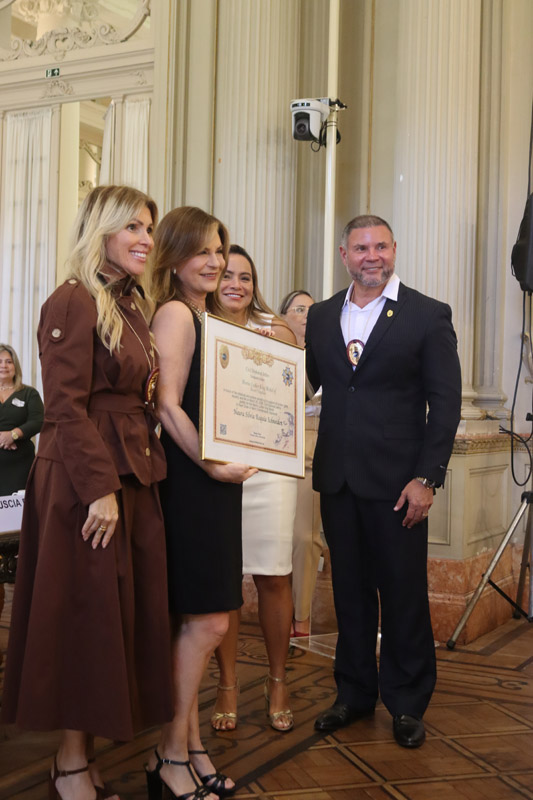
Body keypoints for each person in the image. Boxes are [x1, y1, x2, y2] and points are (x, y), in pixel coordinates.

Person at [1, 185, 174, 800]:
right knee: (83, 618)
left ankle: (86, 758)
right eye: (132, 226)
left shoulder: (129, 303)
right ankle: (69, 763)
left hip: (130, 470)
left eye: (149, 228)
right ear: (100, 230)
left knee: (112, 620)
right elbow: (65, 410)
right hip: (85, 480)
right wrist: (100, 489)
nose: (146, 239)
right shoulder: (72, 301)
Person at [307, 215, 462, 748]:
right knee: (349, 594)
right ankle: (353, 694)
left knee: (402, 595)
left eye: (380, 246)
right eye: (360, 248)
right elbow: (303, 382)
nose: (371, 256)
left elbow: (444, 405)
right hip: (337, 480)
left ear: (394, 250)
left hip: (400, 485)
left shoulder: (427, 315)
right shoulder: (323, 316)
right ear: (344, 254)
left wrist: (427, 478)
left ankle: (407, 701)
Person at [149, 209, 256, 800]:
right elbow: (167, 407)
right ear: (173, 255)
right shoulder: (174, 314)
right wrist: (213, 464)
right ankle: (169, 752)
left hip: (209, 481)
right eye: (203, 250)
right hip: (191, 483)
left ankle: (189, 749)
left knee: (199, 619)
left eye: (220, 249)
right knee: (209, 619)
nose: (216, 260)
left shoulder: (203, 315)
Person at [210, 245, 297, 733]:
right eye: (226, 275)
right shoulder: (195, 323)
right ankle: (226, 683)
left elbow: (296, 394)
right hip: (217, 468)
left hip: (270, 467)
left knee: (274, 574)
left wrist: (280, 353)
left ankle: (278, 679)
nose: (236, 284)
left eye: (245, 276)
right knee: (225, 579)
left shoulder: (276, 326)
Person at [279, 292, 322, 638]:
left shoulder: (326, 355)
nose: (307, 315)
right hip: (274, 453)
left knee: (304, 537)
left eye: (313, 309)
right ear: (283, 316)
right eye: (300, 309)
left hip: (313, 453)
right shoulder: (272, 352)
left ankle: (301, 619)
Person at [0, 344, 43, 495]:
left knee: (19, 516)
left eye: (8, 362)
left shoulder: (29, 393)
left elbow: (38, 421)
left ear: (15, 366)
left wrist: (13, 434)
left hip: (20, 468)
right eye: (0, 362)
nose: (3, 366)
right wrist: (3, 438)